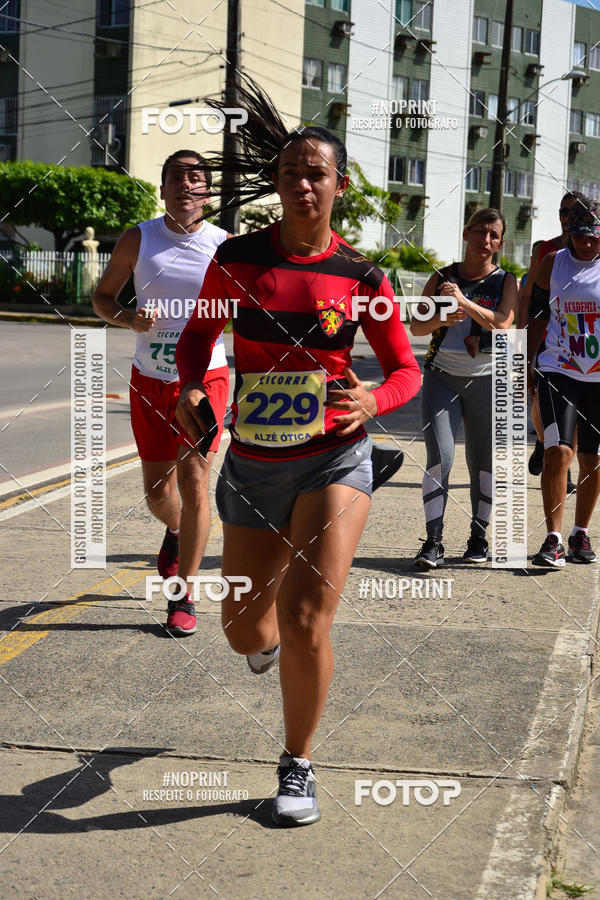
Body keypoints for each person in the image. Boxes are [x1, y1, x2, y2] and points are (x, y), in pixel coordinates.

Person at [175, 79, 421, 826]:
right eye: (290, 173)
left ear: (339, 186)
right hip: (253, 465)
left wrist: (375, 401)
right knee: (246, 629)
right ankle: (267, 646)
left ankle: (298, 764)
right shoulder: (237, 262)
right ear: (277, 186)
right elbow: (194, 343)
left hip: (334, 458)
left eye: (316, 173)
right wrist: (194, 391)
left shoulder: (365, 278)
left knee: (310, 613)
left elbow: (407, 368)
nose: (303, 184)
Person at [92, 150, 231, 635]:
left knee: (195, 484)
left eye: (197, 178)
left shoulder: (225, 245)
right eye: (177, 177)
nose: (187, 185)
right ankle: (174, 531)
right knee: (157, 493)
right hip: (149, 378)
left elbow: (250, 311)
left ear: (207, 192)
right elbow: (101, 298)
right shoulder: (140, 237)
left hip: (205, 378)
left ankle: (184, 594)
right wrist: (130, 318)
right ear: (164, 188)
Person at [410, 208, 518, 569]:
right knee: (441, 458)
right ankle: (433, 541)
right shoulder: (442, 276)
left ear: (500, 242)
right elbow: (417, 327)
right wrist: (443, 315)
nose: (486, 241)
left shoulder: (506, 281)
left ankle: (478, 537)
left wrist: (465, 302)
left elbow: (503, 324)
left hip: (488, 381)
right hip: (442, 378)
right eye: (480, 232)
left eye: (494, 235)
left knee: (483, 464)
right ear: (466, 234)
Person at [528, 199, 600, 568]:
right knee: (558, 451)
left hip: (598, 378)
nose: (587, 244)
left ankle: (579, 533)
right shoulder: (552, 263)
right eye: (581, 236)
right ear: (569, 233)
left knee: (593, 459)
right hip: (558, 367)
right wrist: (526, 362)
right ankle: (553, 538)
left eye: (594, 237)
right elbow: (537, 315)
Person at [519, 192, 587, 484]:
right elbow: (529, 297)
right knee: (537, 401)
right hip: (547, 337)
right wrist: (522, 343)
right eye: (562, 211)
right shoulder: (546, 252)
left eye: (573, 212)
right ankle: (544, 441)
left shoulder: (592, 249)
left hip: (579, 343)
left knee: (574, 410)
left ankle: (564, 465)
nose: (566, 217)